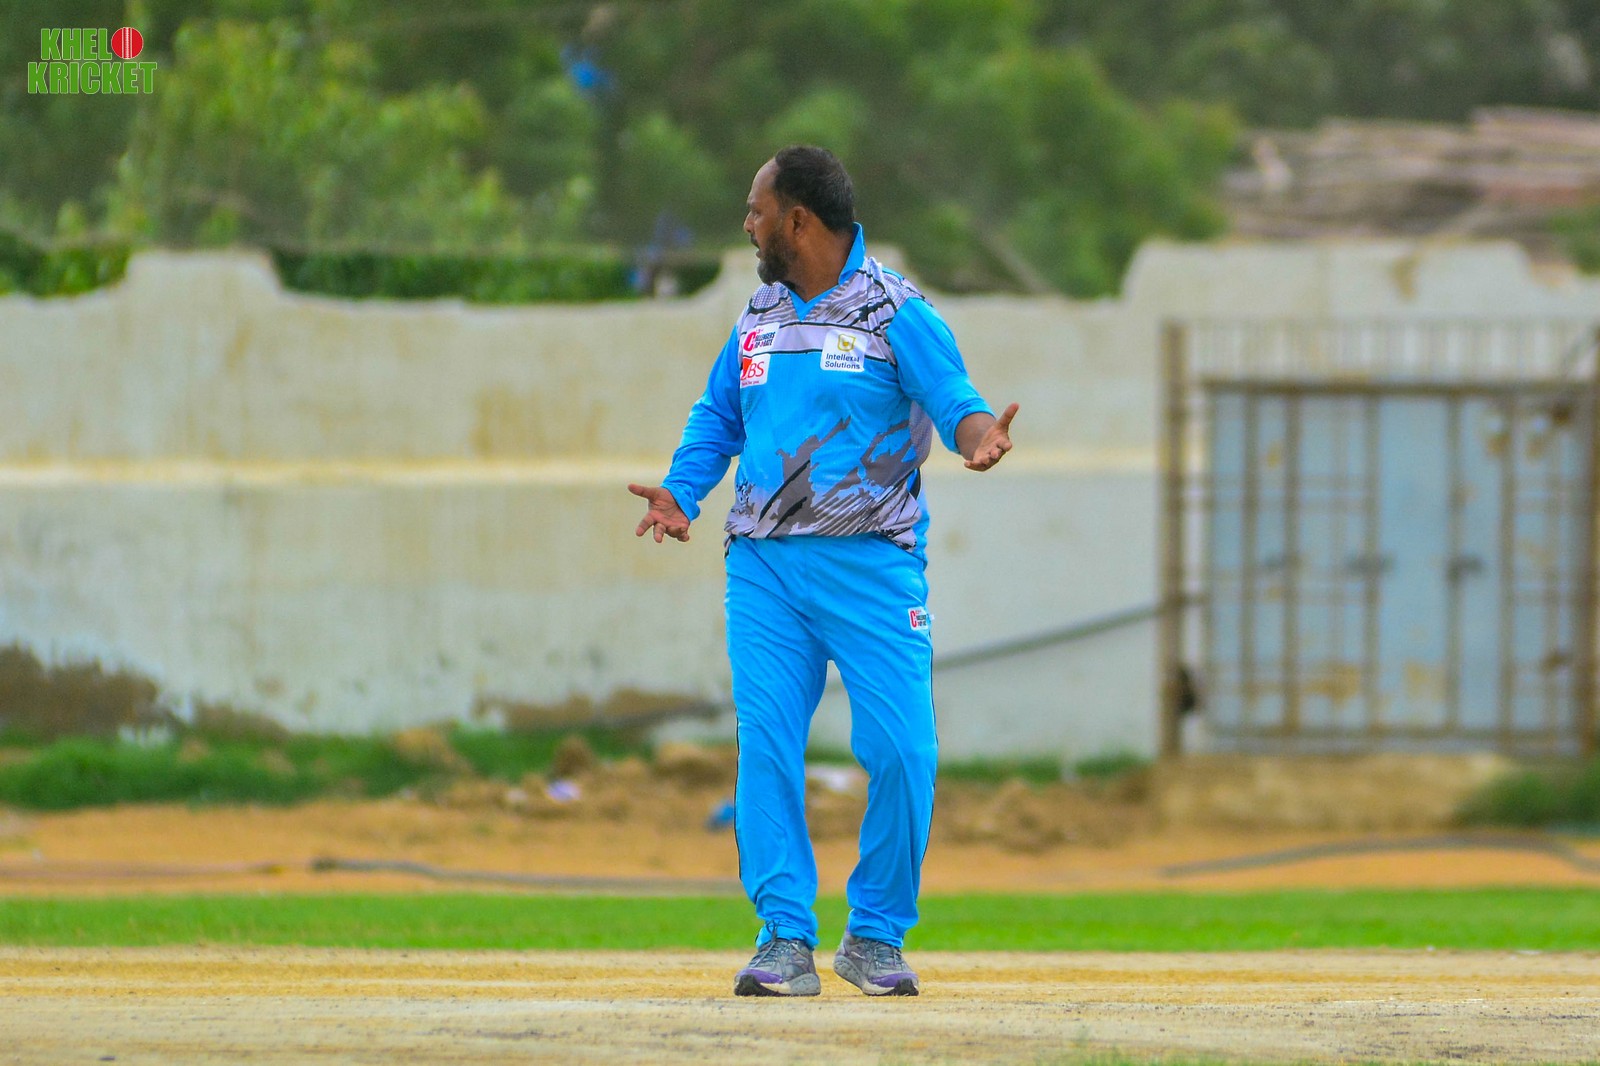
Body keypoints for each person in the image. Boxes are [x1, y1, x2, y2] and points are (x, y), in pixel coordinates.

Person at [629, 146, 1017, 997]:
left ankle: (875, 936)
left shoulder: (896, 310)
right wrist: (682, 493)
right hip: (763, 570)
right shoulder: (758, 315)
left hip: (872, 567)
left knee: (904, 751)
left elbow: (956, 399)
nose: (747, 224)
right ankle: (783, 937)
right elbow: (718, 417)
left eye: (757, 210)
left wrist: (980, 437)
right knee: (767, 746)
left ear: (798, 220)